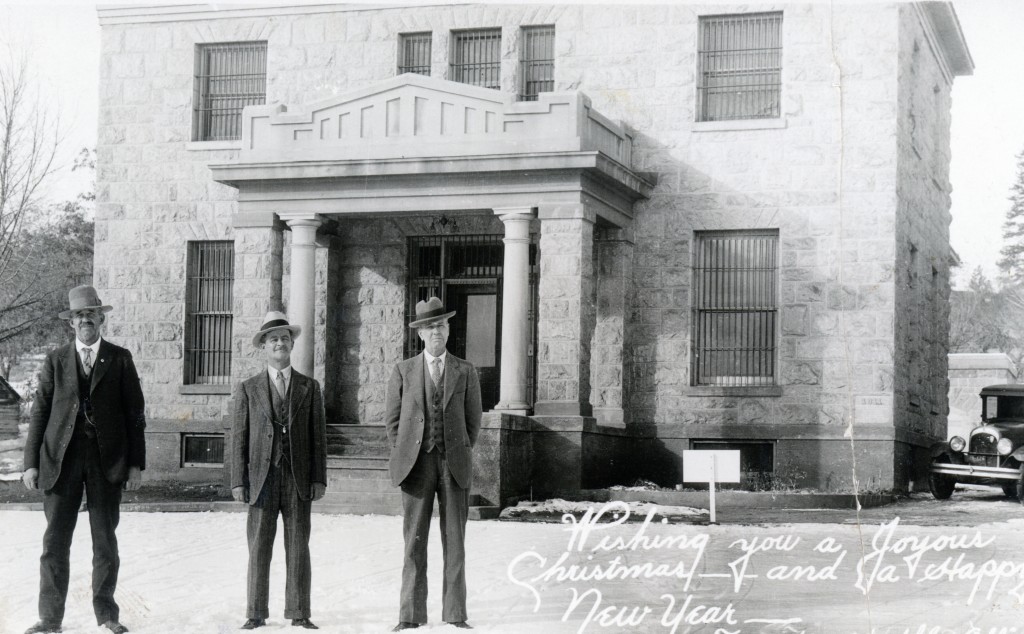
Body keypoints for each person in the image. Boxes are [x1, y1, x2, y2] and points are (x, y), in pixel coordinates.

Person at [22, 285, 146, 634]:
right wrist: (31, 462)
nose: (85, 320)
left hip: (107, 460)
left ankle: (107, 616)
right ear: (71, 323)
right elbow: (40, 412)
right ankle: (49, 619)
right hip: (60, 459)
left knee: (105, 540)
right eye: (79, 316)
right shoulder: (55, 360)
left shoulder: (120, 358)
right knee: (54, 542)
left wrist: (135, 463)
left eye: (91, 314)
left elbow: (135, 413)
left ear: (101, 318)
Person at [385, 296, 482, 631]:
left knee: (455, 541)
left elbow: (473, 423)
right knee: (414, 541)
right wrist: (407, 452)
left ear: (449, 328)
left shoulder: (465, 371)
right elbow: (393, 423)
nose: (436, 331)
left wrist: (457, 449)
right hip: (416, 465)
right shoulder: (403, 370)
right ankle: (409, 615)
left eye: (440, 324)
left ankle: (455, 614)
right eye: (429, 326)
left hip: (453, 464)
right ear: (421, 334)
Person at [231, 311, 327, 630]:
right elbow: (239, 439)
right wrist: (238, 481)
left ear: (291, 345)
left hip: (298, 479)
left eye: (285, 339)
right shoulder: (248, 388)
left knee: (298, 545)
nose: (280, 344)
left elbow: (318, 439)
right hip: (261, 478)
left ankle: (299, 612)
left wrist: (318, 478)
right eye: (273, 339)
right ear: (264, 346)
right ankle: (255, 613)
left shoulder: (309, 388)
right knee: (259, 546)